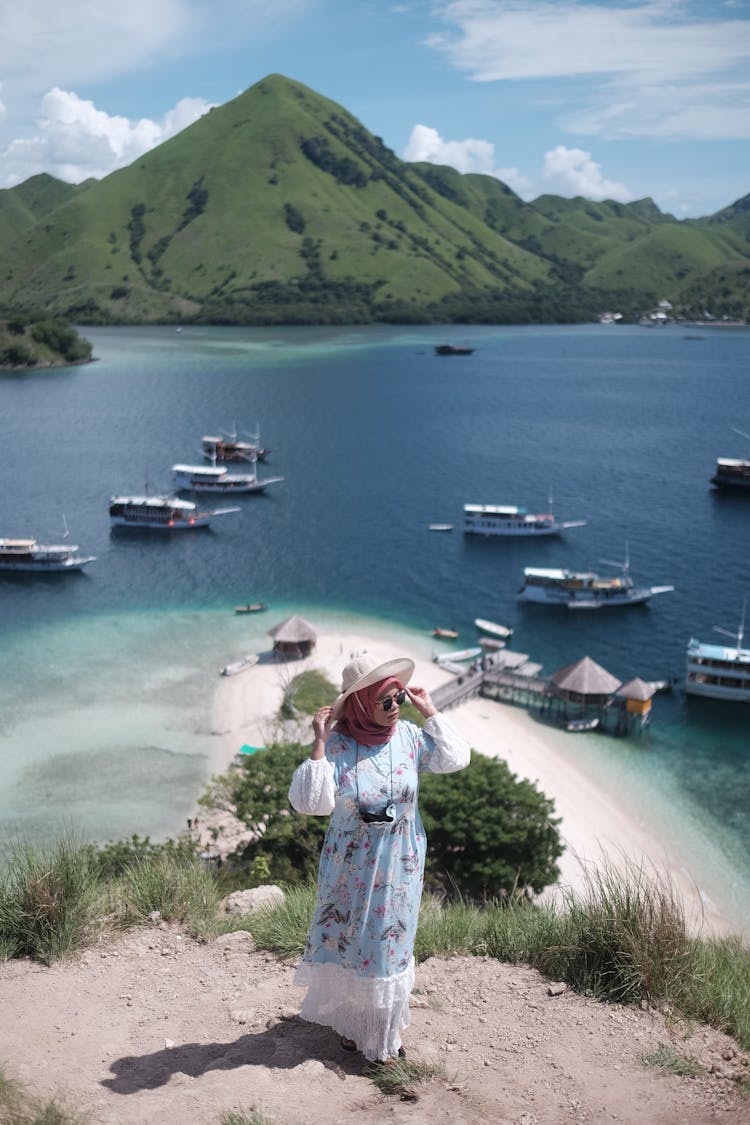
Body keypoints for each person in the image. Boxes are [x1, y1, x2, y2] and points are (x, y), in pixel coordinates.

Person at [288, 653, 470, 1063]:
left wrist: (429, 710)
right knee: (353, 944)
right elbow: (311, 803)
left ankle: (384, 1044)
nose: (394, 709)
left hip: (399, 863)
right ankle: (354, 1029)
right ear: (359, 703)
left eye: (398, 700)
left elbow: (456, 758)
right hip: (349, 867)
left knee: (388, 947)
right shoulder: (338, 745)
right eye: (384, 701)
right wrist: (320, 739)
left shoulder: (408, 737)